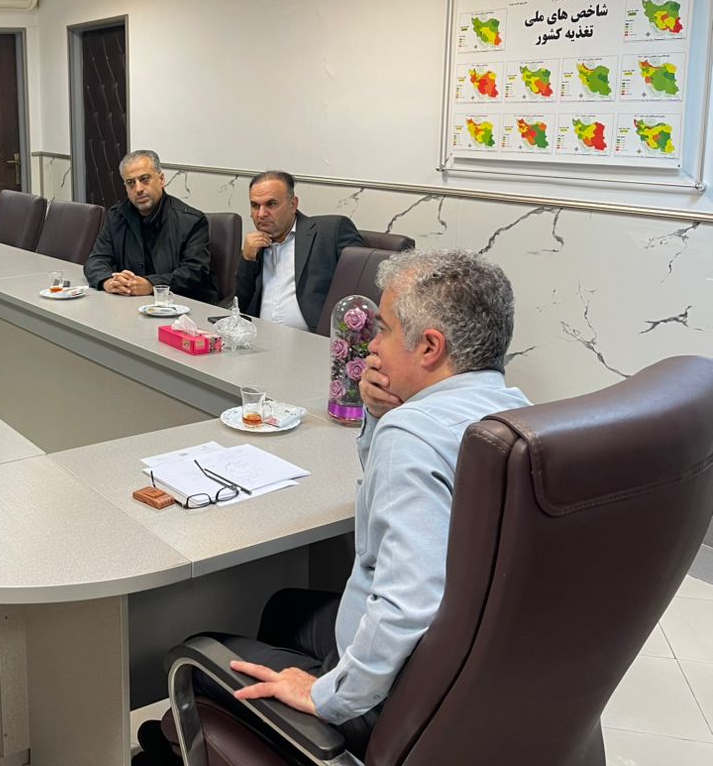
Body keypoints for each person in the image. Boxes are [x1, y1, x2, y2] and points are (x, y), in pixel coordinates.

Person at [135, 249, 530, 763]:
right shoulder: (520, 415)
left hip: (396, 697)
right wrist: (378, 416)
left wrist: (328, 697)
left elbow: (408, 603)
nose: (372, 345)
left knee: (198, 654)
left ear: (430, 347)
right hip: (478, 684)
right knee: (283, 610)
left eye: (384, 329)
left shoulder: (412, 437)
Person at [83, 150, 218, 304]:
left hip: (178, 306)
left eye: (144, 179)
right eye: (131, 183)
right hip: (128, 305)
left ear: (161, 179)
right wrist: (107, 281)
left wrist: (151, 285)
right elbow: (96, 260)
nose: (138, 189)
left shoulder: (191, 221)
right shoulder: (116, 217)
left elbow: (195, 272)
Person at [234, 171, 363, 331]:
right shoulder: (255, 246)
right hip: (260, 336)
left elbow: (361, 288)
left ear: (293, 205)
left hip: (313, 338)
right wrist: (247, 259)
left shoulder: (331, 231)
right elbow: (239, 305)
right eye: (255, 205)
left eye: (271, 204)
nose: (261, 214)